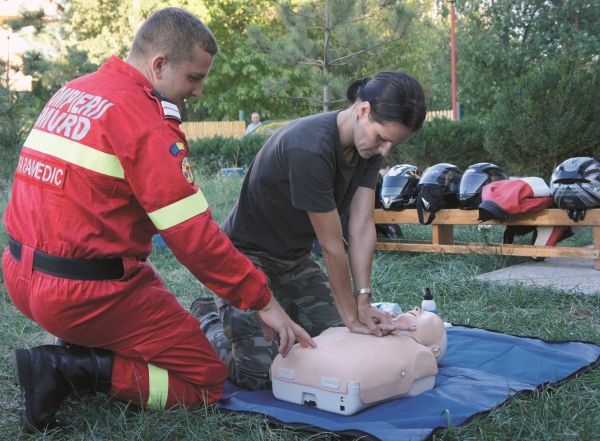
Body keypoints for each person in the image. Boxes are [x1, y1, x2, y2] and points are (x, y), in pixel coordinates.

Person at [3, 7, 314, 433]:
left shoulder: (73, 92)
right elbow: (194, 239)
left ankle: (78, 346)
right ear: (160, 64)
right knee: (204, 383)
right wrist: (262, 300)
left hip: (21, 274)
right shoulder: (145, 120)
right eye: (194, 78)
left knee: (140, 284)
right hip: (87, 294)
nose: (199, 91)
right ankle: (70, 368)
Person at [192, 71, 427, 390]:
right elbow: (332, 246)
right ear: (363, 111)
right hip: (246, 259)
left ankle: (267, 310)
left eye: (392, 143)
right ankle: (206, 314)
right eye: (382, 138)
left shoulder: (366, 148)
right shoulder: (310, 148)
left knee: (332, 345)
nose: (385, 150)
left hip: (293, 260)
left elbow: (361, 226)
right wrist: (351, 317)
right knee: (258, 373)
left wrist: (362, 303)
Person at [271, 307, 447, 414]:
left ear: (434, 351)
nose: (417, 308)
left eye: (425, 315)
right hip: (310, 366)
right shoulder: (366, 327)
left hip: (306, 369)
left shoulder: (419, 353)